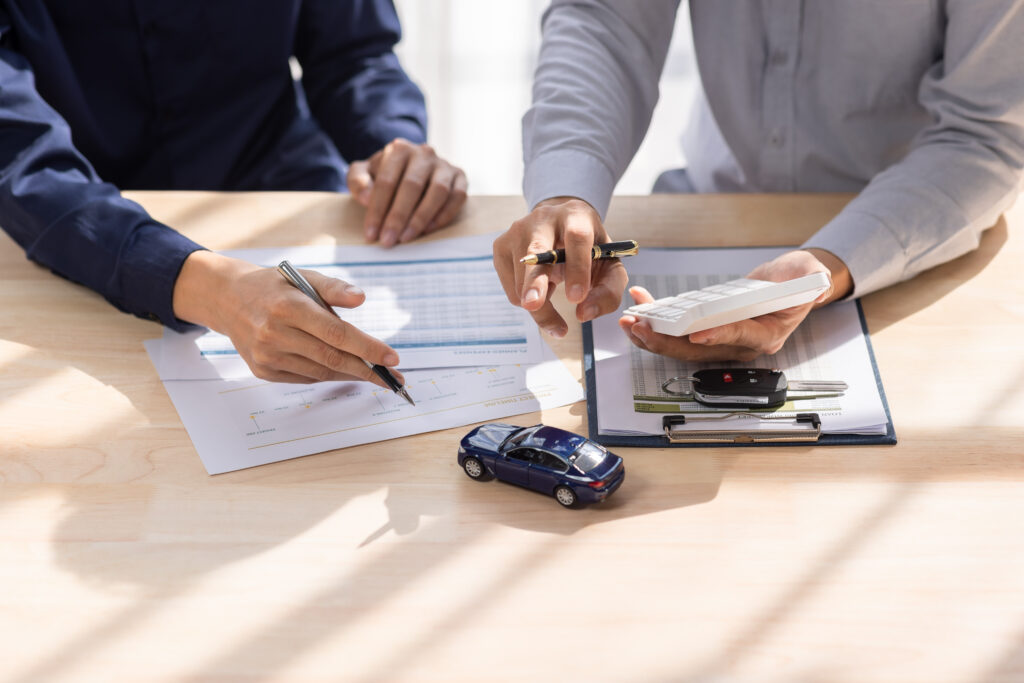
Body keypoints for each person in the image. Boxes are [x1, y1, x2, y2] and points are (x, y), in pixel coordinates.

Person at [493, 1, 1024, 362]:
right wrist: (567, 187)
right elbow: (606, 19)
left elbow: (986, 132)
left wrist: (829, 266)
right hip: (710, 204)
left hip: (915, 246)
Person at [0, 0, 467, 386]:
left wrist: (391, 145)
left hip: (289, 190)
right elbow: (22, 161)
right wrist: (210, 289)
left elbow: (355, 53)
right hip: (79, 231)